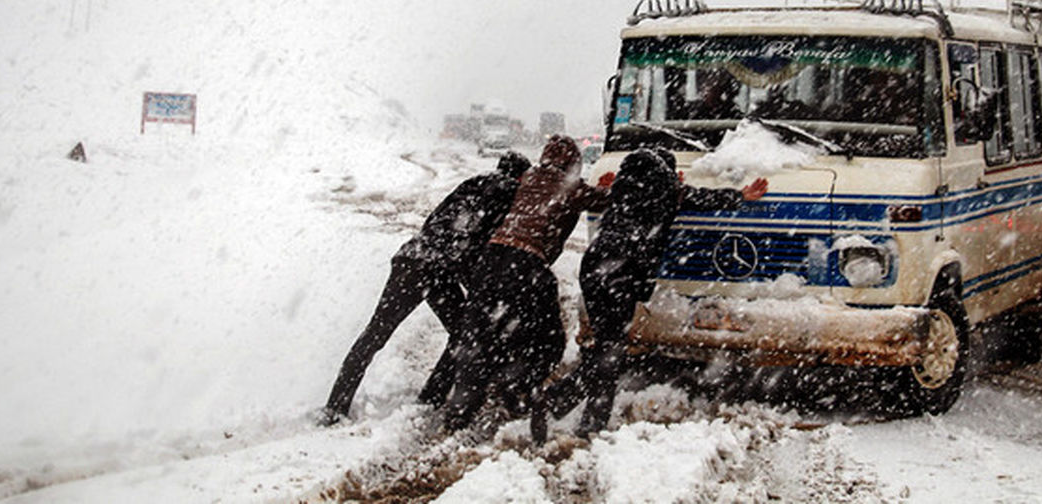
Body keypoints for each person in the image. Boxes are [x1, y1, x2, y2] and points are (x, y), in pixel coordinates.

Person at [532, 147, 767, 442]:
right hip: (623, 271)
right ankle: (571, 411)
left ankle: (563, 405)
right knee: (610, 353)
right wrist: (741, 195)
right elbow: (705, 198)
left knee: (606, 348)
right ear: (667, 172)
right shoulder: (668, 190)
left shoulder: (623, 187)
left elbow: (610, 193)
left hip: (596, 266)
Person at [317, 150, 531, 426]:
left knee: (376, 334)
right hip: (441, 268)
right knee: (462, 334)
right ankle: (430, 399)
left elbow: (439, 223)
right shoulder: (508, 190)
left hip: (414, 257)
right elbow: (476, 238)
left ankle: (335, 406)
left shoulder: (473, 182)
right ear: (520, 175)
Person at [439, 135, 612, 432]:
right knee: (548, 340)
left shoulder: (529, 175)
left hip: (491, 260)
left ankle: (460, 410)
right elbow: (606, 199)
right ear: (572, 164)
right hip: (527, 266)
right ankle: (520, 389)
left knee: (479, 335)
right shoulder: (571, 187)